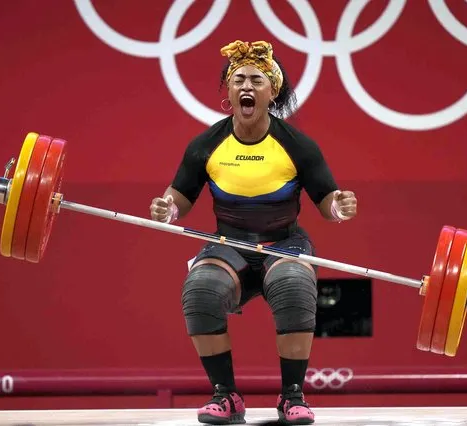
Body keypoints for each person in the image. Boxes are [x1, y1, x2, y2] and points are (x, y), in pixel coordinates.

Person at [149, 40, 358, 425]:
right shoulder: (206, 145)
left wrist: (339, 208)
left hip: (284, 244)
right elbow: (177, 199)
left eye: (256, 80)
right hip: (228, 245)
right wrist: (167, 209)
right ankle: (225, 397)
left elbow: (328, 203)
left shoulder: (297, 145)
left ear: (271, 90)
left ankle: (292, 397)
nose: (247, 87)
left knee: (296, 284)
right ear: (228, 91)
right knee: (200, 291)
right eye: (238, 79)